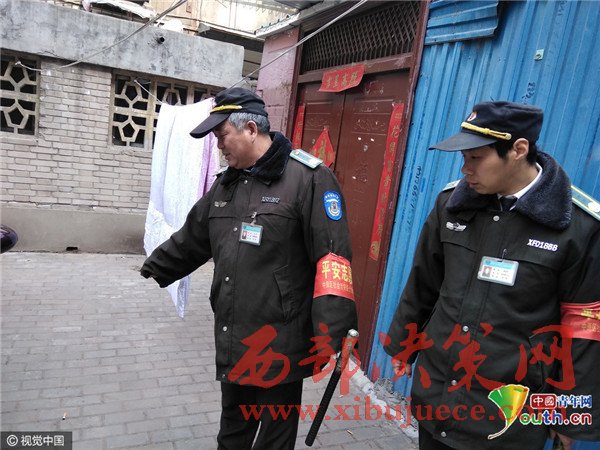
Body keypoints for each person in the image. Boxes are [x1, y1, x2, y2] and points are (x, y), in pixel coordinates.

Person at [140, 87, 358, 449]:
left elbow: (332, 257)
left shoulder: (308, 179)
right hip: (235, 335)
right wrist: (156, 266)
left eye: (222, 135)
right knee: (233, 433)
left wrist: (331, 331)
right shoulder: (227, 184)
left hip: (281, 340)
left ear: (251, 130)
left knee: (274, 437)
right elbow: (195, 235)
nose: (218, 146)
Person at [384, 101, 599, 450]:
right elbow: (424, 282)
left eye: (476, 157)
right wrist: (402, 345)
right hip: (439, 392)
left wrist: (569, 414)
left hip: (510, 413)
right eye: (463, 157)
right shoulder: (452, 205)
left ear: (518, 150)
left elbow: (584, 328)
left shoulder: (577, 227)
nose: (465, 168)